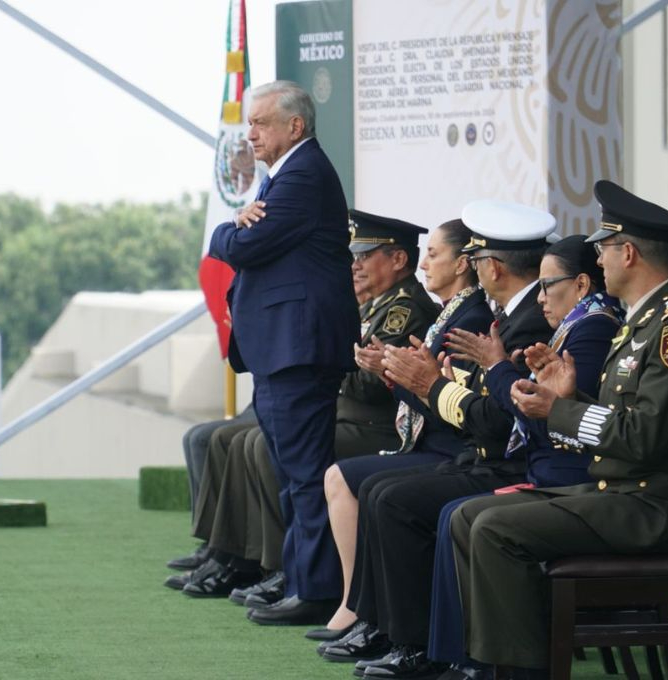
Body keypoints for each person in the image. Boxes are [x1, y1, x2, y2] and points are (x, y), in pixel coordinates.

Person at [448, 180, 668, 680]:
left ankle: (521, 673)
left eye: (602, 250)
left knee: (493, 529)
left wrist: (558, 410)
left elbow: (643, 437)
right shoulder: (645, 323)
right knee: (469, 516)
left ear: (629, 253)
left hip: (657, 506)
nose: (596, 262)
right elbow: (628, 423)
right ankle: (500, 667)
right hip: (625, 491)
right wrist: (569, 399)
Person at [317, 201, 557, 676]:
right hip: (481, 450)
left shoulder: (520, 322)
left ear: (489, 265)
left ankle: (415, 642)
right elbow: (474, 397)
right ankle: (394, 629)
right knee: (381, 491)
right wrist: (424, 380)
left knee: (393, 499)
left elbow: (494, 418)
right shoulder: (504, 315)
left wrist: (429, 383)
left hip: (505, 462)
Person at [182, 212, 439, 621]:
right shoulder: (367, 304)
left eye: (366, 254)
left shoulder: (405, 311)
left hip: (377, 426)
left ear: (398, 260)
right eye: (351, 255)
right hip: (343, 414)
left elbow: (376, 386)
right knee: (260, 442)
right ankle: (270, 563)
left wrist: (322, 366)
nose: (354, 264)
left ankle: (292, 571)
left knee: (269, 446)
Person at [424, 235, 624, 679]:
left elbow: (538, 419)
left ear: (580, 284)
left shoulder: (592, 328)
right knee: (458, 515)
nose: (539, 295)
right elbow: (544, 413)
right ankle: (466, 660)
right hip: (559, 470)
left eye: (547, 284)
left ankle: (500, 666)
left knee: (479, 521)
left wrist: (498, 369)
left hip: (576, 478)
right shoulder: (575, 326)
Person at [208, 80, 360, 622]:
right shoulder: (283, 175)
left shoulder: (301, 174)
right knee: (293, 474)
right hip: (281, 348)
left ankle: (316, 591)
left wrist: (227, 229)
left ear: (294, 126)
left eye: (260, 123)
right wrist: (238, 226)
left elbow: (246, 245)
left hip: (298, 349)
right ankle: (298, 577)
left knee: (304, 473)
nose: (250, 134)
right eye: (249, 124)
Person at [314, 218, 493, 640]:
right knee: (362, 483)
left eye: (433, 254)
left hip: (452, 448)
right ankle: (361, 609)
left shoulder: (468, 318)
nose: (424, 263)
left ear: (464, 264)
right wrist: (396, 375)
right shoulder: (450, 313)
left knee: (377, 490)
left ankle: (385, 624)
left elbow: (455, 403)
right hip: (427, 437)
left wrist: (396, 376)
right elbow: (424, 390)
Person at [168, 406, 258, 572]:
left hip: (281, 398)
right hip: (260, 398)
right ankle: (210, 540)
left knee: (205, 438)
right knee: (192, 436)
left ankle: (221, 545)